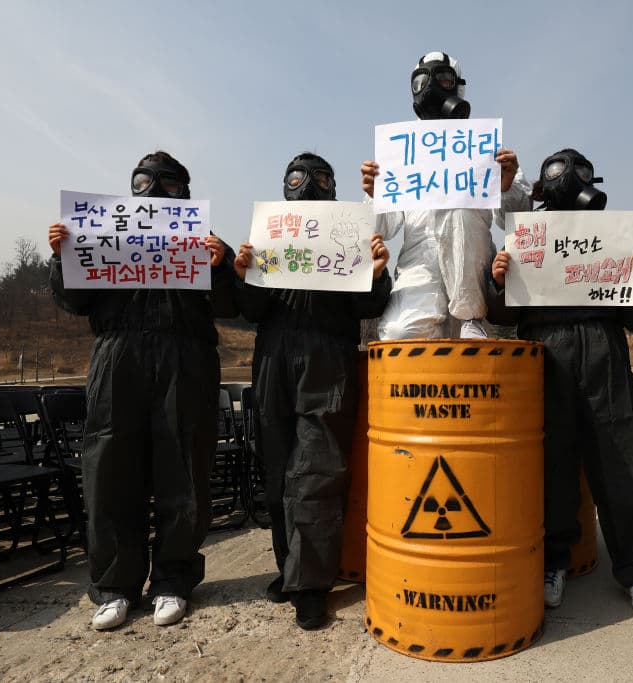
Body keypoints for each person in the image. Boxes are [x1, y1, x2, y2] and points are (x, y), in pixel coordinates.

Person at [48, 150, 238, 631]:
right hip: (118, 355)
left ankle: (173, 580)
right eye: (144, 182)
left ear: (184, 192)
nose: (155, 192)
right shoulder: (103, 234)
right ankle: (115, 587)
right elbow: (73, 300)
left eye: (168, 184)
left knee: (184, 469)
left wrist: (220, 264)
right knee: (110, 470)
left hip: (186, 358)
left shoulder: (204, 243)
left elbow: (236, 304)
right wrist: (61, 257)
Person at [487, 149, 633, 616]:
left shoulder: (611, 238)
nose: (568, 178)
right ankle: (553, 561)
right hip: (545, 354)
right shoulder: (528, 233)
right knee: (552, 466)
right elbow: (503, 316)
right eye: (559, 172)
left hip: (605, 352)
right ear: (543, 186)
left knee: (623, 463)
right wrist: (499, 281)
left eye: (579, 171)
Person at [232, 152, 391, 629]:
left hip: (329, 354)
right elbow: (252, 311)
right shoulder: (270, 236)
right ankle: (290, 568)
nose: (309, 186)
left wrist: (379, 273)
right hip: (274, 355)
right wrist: (242, 275)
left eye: (320, 178)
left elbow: (370, 305)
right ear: (286, 186)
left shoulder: (347, 233)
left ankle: (312, 584)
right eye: (299, 178)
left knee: (318, 467)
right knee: (279, 467)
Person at [360, 51, 532, 340]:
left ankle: (472, 316)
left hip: (471, 253)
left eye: (442, 79)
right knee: (398, 333)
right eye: (421, 82)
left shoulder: (483, 147)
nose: (431, 88)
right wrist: (377, 196)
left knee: (460, 208)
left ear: (458, 85)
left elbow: (519, 219)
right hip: (420, 256)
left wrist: (505, 185)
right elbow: (382, 229)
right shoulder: (401, 151)